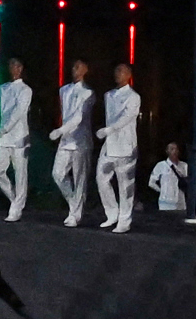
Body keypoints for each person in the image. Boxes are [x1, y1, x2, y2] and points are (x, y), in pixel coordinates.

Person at [96, 73, 144, 233]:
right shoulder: (108, 95)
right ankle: (112, 213)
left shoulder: (133, 96)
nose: (117, 74)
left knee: (125, 185)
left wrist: (109, 129)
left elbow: (127, 117)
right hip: (109, 144)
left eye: (122, 71)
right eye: (116, 71)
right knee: (101, 179)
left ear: (129, 75)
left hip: (126, 145)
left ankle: (124, 220)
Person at [52, 69, 96, 227]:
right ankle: (74, 204)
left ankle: (75, 215)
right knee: (57, 174)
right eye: (74, 67)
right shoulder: (64, 90)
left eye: (79, 67)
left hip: (80, 140)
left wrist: (59, 131)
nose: (76, 70)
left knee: (79, 179)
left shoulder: (88, 93)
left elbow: (79, 117)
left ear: (85, 70)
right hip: (66, 141)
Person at [0, 60, 34, 218]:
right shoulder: (3, 88)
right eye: (11, 65)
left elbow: (19, 112)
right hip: (4, 137)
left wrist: (5, 128)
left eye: (17, 66)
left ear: (21, 68)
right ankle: (15, 200)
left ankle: (16, 208)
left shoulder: (25, 90)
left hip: (19, 137)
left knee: (20, 174)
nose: (14, 69)